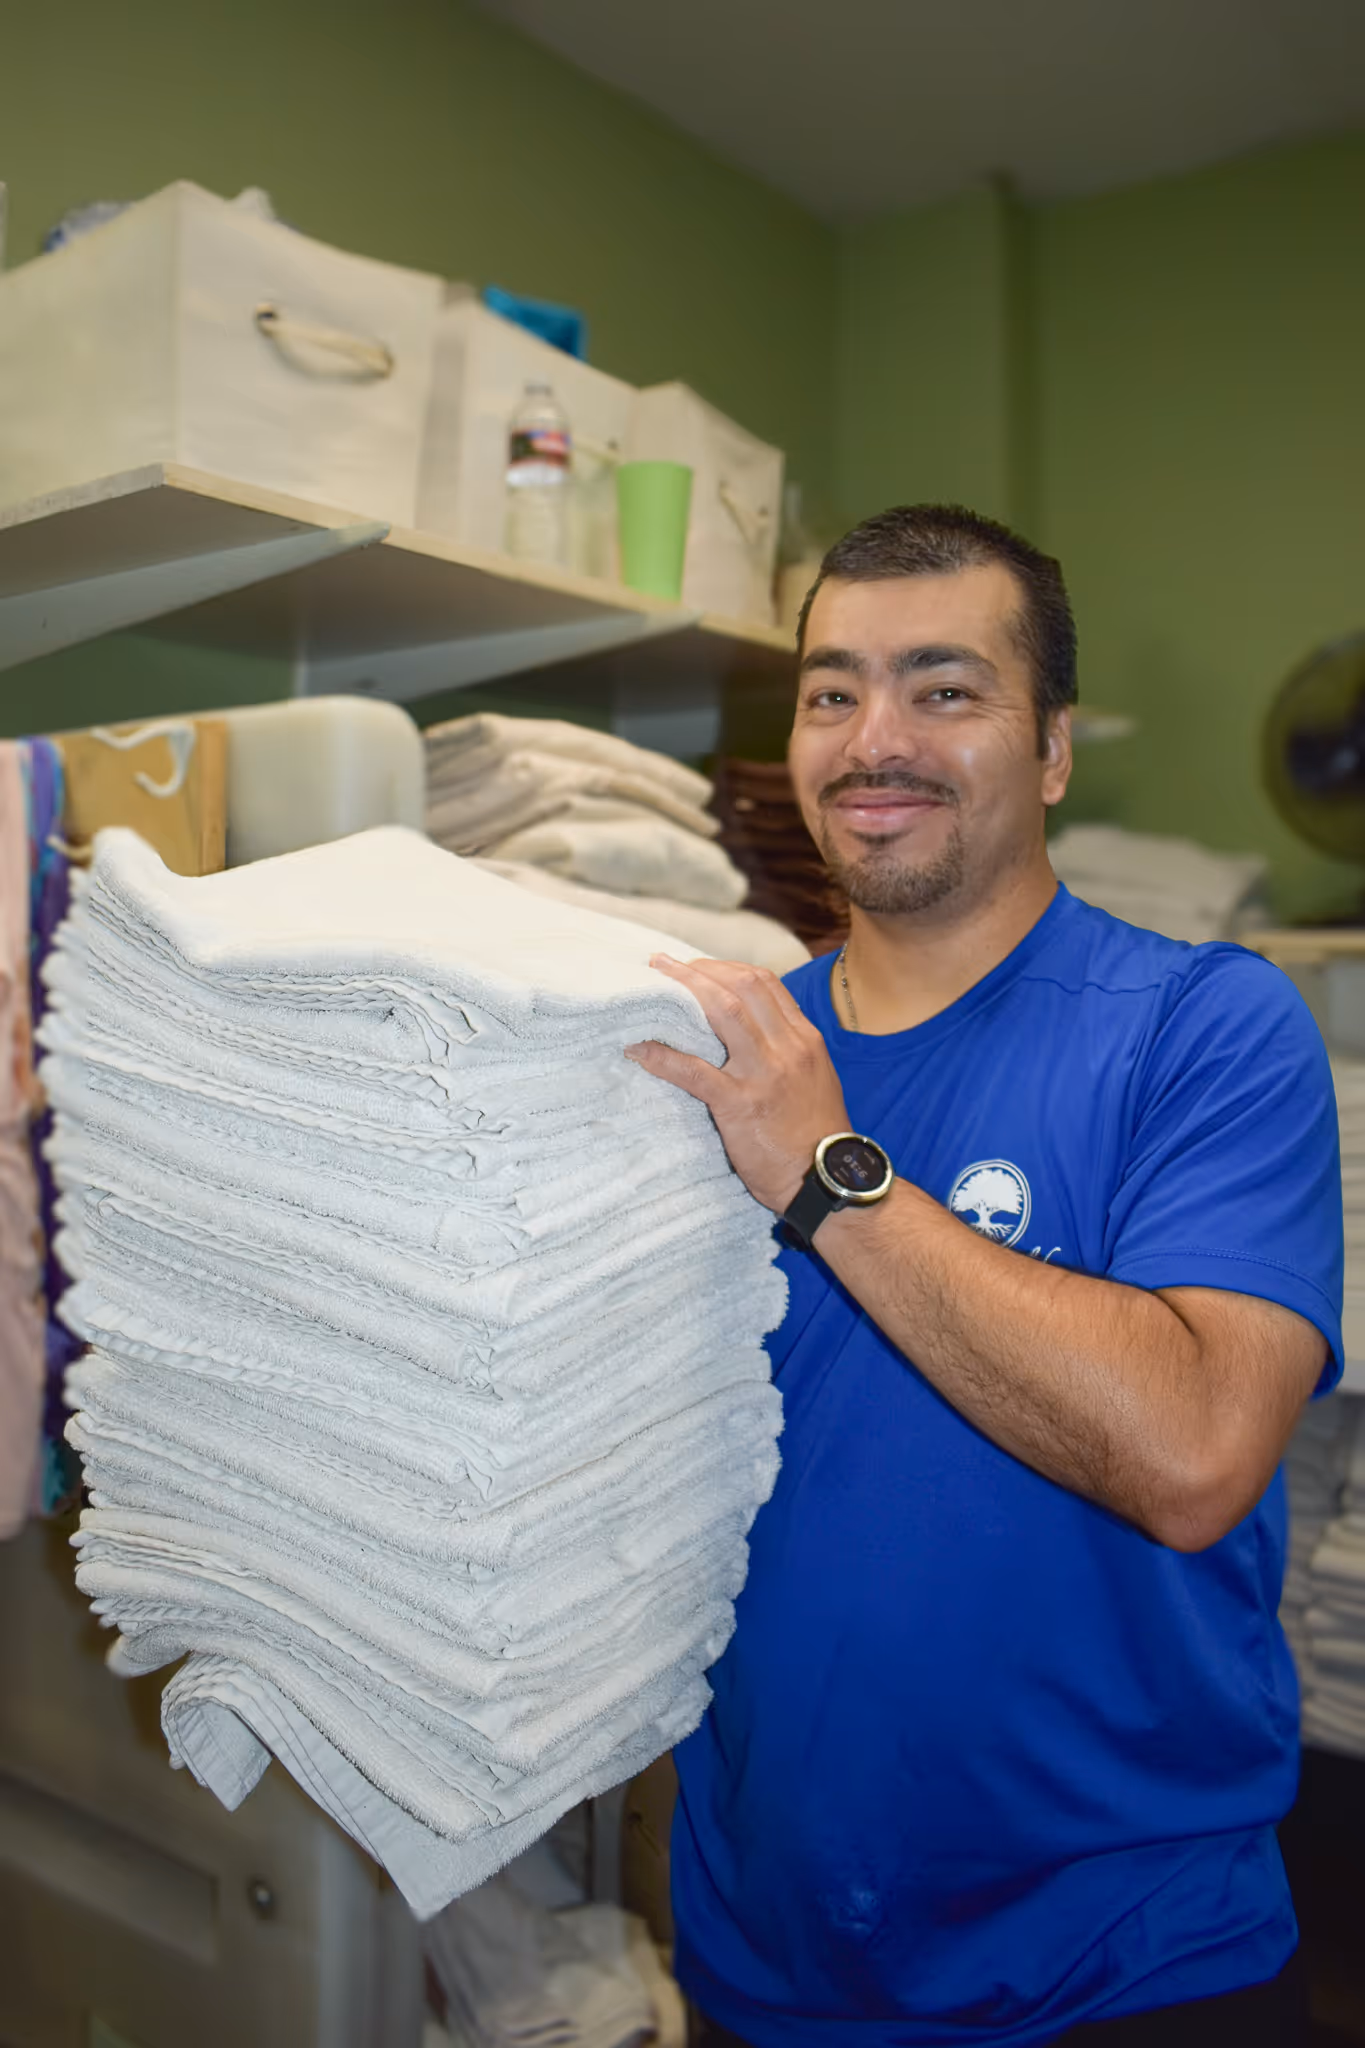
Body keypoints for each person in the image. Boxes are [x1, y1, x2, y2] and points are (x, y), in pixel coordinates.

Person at [624, 504, 1343, 2048]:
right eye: (833, 691)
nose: (874, 739)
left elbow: (1198, 1450)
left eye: (944, 690)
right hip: (767, 1953)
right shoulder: (718, 1056)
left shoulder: (1206, 1029)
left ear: (1054, 749)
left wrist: (831, 1174)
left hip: (1127, 1968)